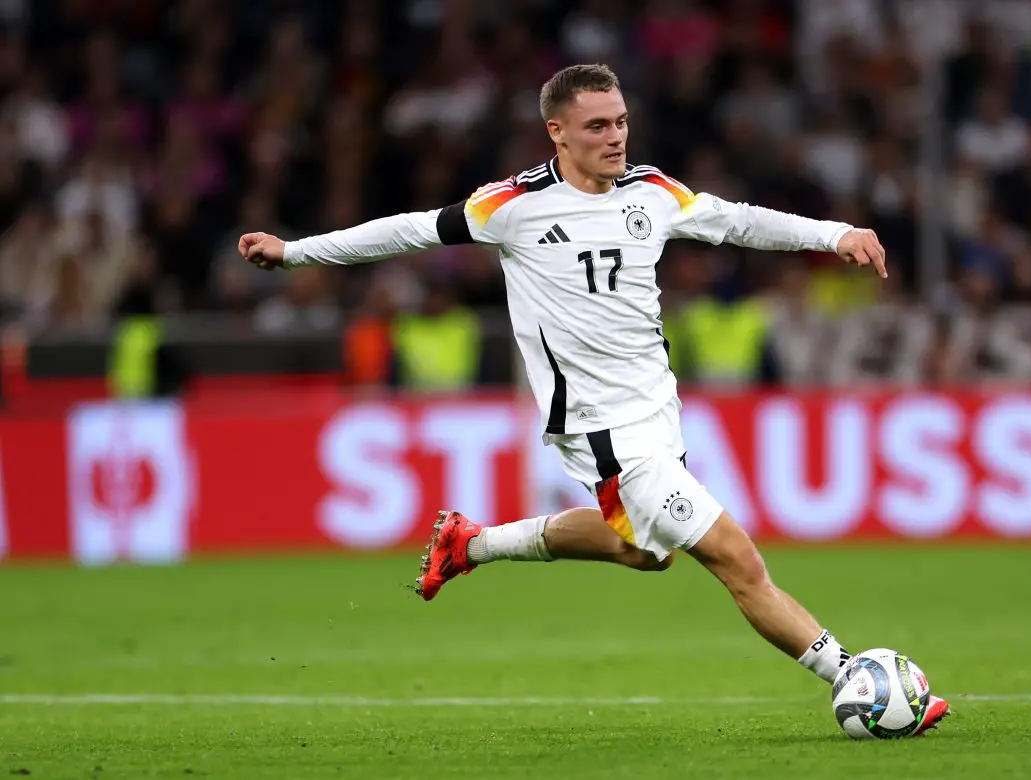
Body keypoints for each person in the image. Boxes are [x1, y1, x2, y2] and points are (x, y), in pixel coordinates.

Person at [240, 64, 949, 734]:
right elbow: (408, 230)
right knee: (736, 558)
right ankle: (856, 679)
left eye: (621, 122)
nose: (615, 138)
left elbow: (735, 220)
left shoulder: (651, 192)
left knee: (645, 553)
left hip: (657, 412)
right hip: (601, 428)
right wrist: (296, 252)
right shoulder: (512, 207)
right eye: (597, 126)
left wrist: (835, 234)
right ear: (557, 132)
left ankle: (473, 543)